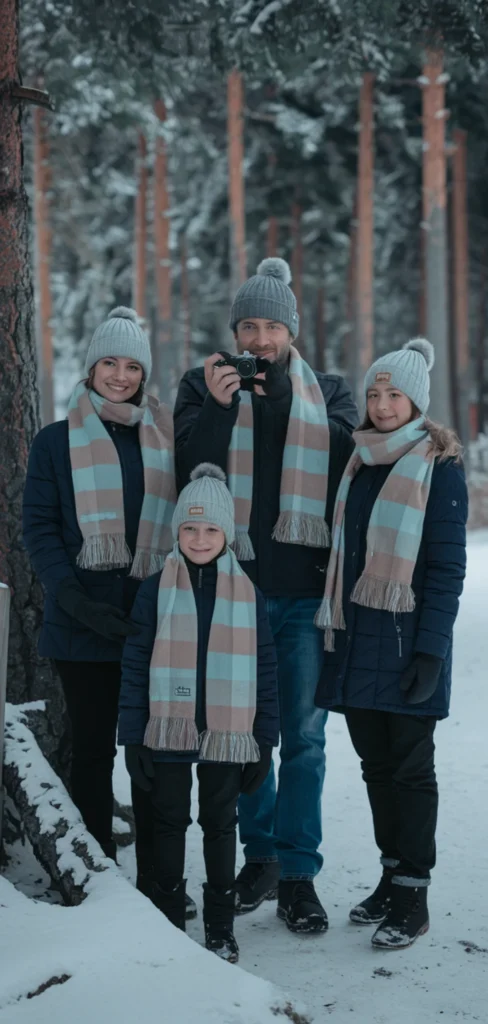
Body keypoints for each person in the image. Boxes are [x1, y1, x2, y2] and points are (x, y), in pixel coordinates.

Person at [174, 258, 358, 933]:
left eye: (271, 327)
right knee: (241, 733)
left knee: (303, 739)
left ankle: (300, 874)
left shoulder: (329, 391)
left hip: (306, 597)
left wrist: (279, 399)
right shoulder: (200, 384)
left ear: (291, 332)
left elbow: (345, 463)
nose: (259, 339)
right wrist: (221, 407)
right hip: (233, 593)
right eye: (248, 326)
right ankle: (261, 858)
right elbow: (187, 470)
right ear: (234, 332)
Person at [314, 337, 468, 949]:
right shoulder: (359, 462)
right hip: (356, 643)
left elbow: (447, 569)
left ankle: (414, 895)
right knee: (376, 768)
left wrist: (431, 652)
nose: (381, 404)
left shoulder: (440, 467)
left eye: (394, 394)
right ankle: (390, 876)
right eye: (374, 393)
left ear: (416, 402)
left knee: (410, 771)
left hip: (407, 645)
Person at [22, 307, 179, 900]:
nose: (120, 375)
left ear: (144, 374)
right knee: (91, 751)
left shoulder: (162, 438)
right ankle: (99, 879)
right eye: (109, 362)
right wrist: (75, 601)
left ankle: (159, 879)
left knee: (151, 750)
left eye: (132, 366)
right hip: (80, 621)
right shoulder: (54, 441)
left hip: (152, 622)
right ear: (91, 368)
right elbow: (39, 529)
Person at [118, 463, 279, 962]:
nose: (200, 538)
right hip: (168, 726)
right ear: (176, 531)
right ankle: (169, 918)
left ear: (227, 533)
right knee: (169, 820)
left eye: (211, 528)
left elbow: (266, 669)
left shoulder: (248, 593)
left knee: (220, 823)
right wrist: (133, 735)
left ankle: (220, 925)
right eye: (190, 528)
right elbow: (135, 664)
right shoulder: (154, 589)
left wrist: (265, 740)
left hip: (228, 732)